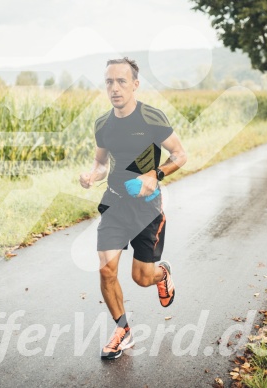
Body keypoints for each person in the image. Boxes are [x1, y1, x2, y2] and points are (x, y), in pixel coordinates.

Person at [79, 57, 187, 360]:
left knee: (142, 278)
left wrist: (156, 174)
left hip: (146, 208)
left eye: (121, 81)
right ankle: (122, 329)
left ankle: (161, 273)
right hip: (114, 202)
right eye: (109, 82)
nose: (114, 88)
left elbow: (180, 154)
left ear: (135, 85)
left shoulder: (151, 118)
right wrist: (91, 175)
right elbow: (101, 163)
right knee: (106, 269)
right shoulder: (103, 123)